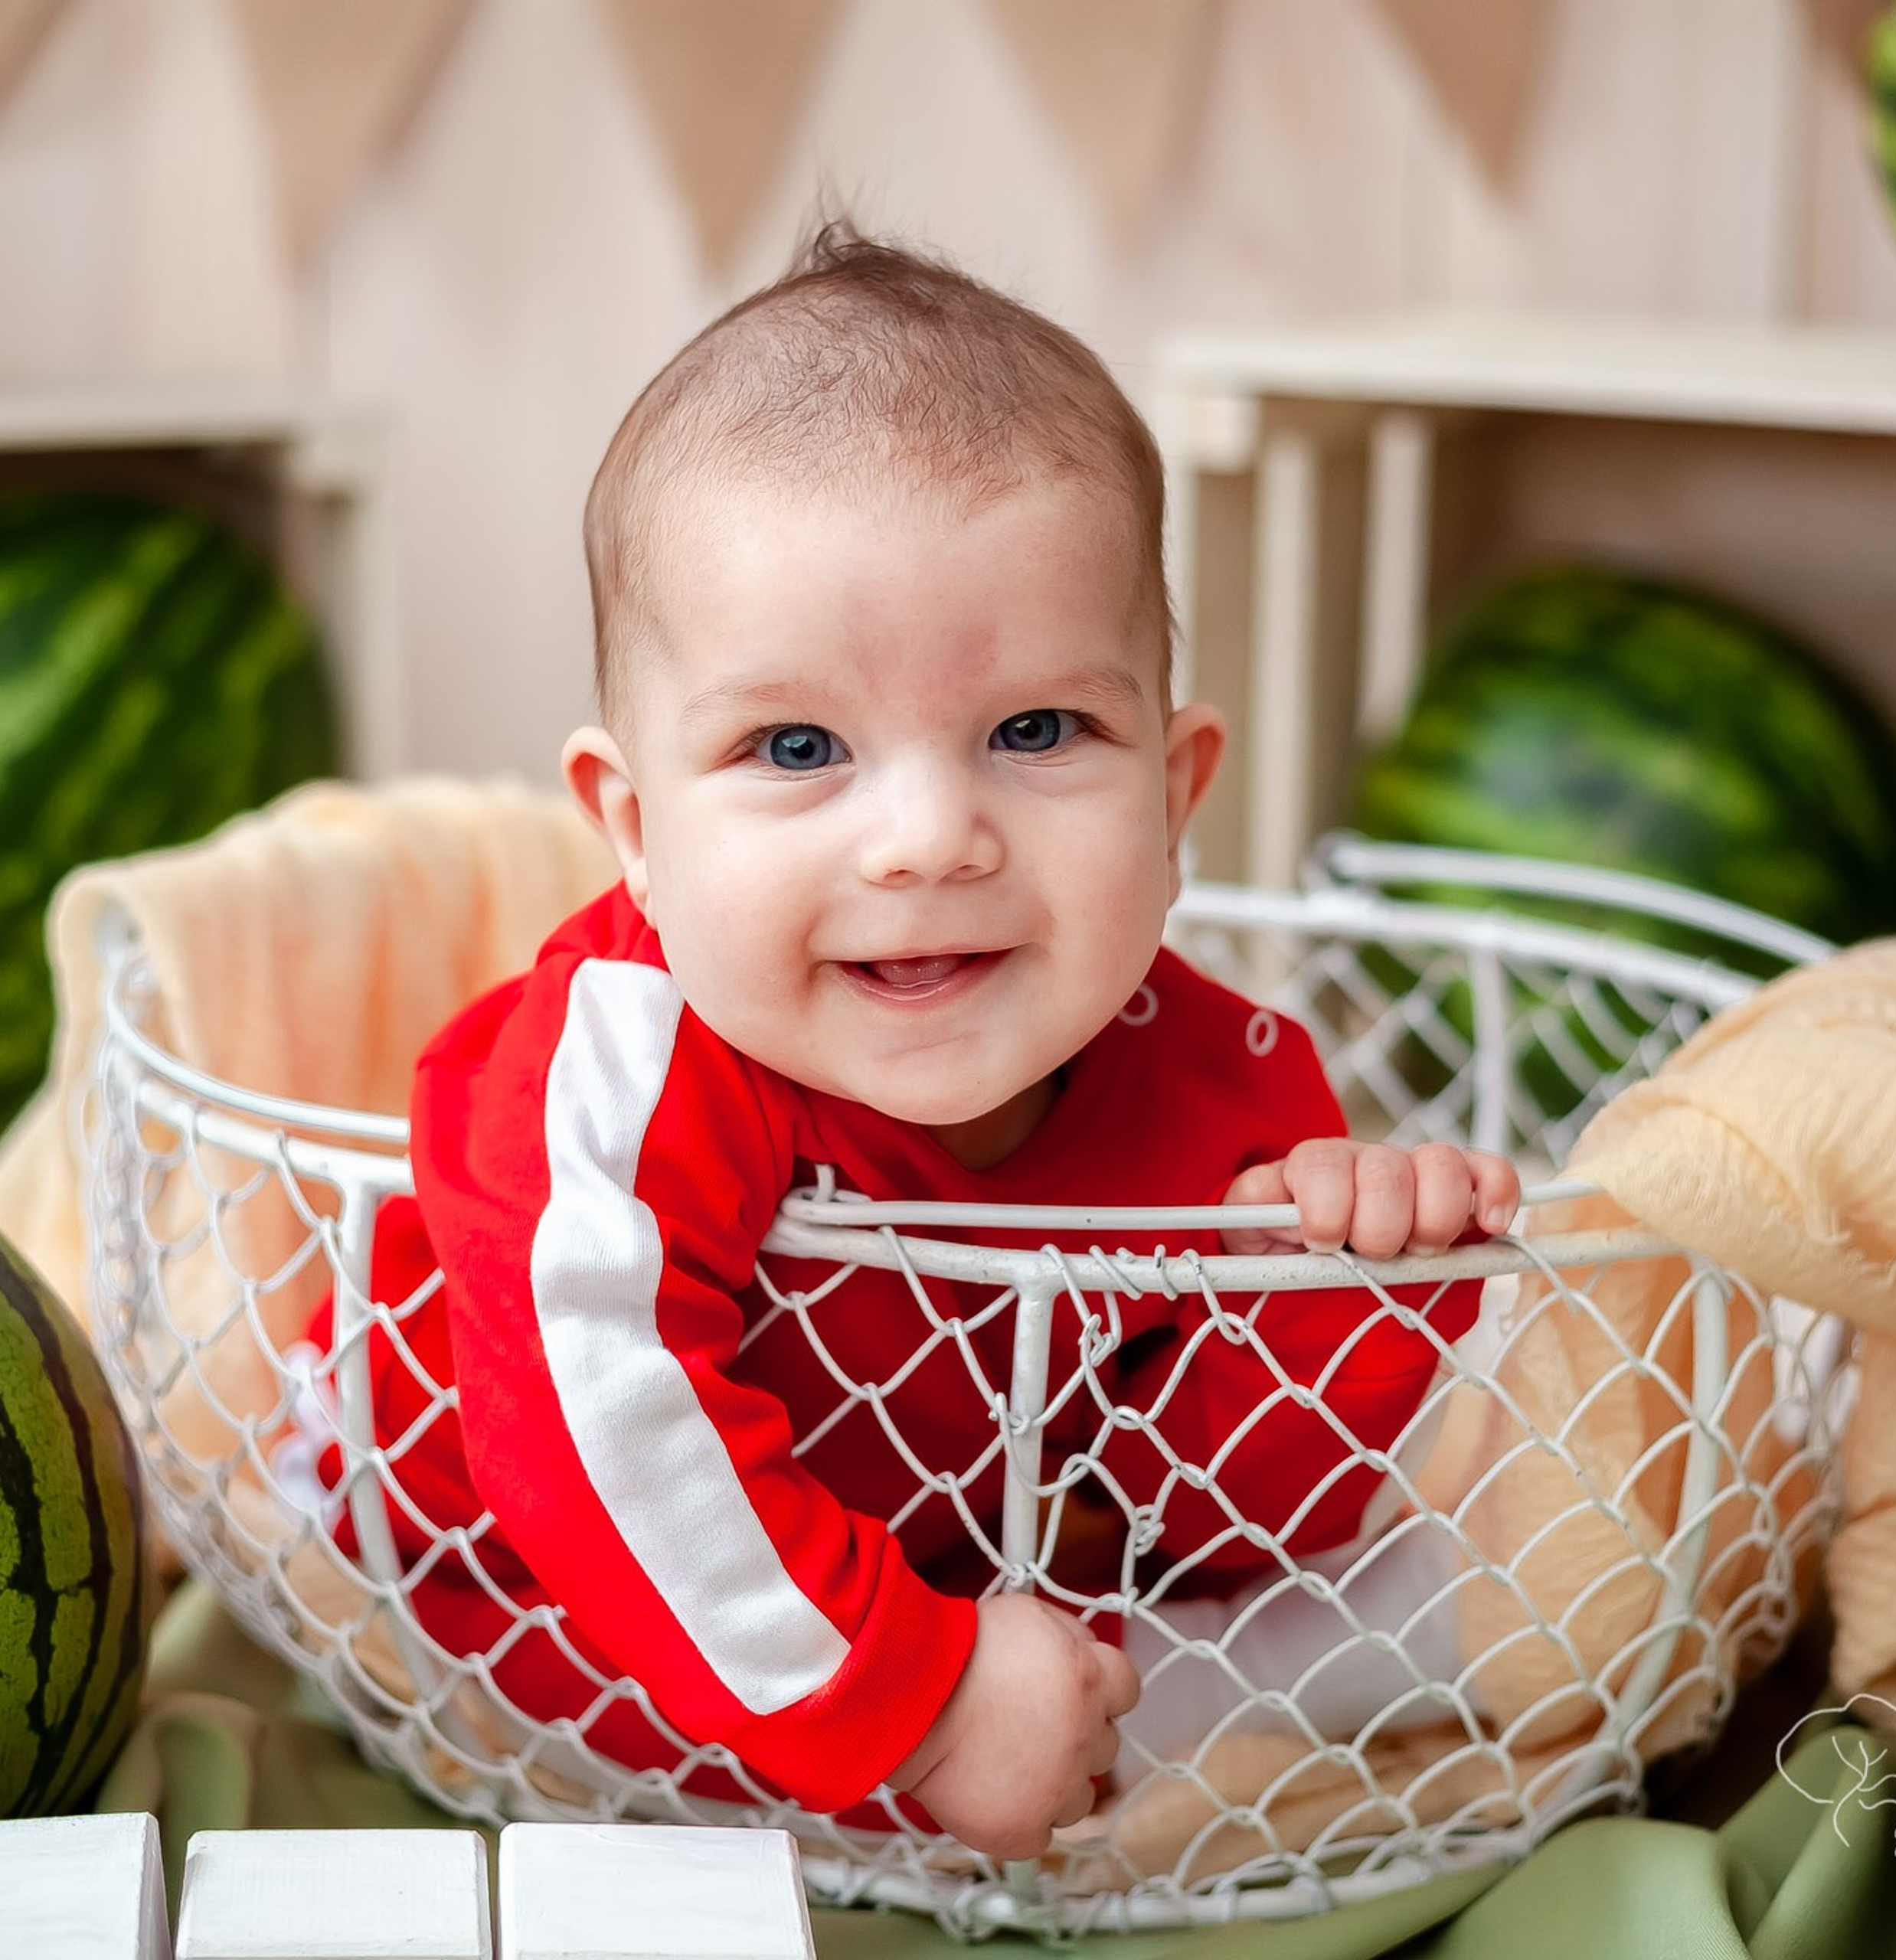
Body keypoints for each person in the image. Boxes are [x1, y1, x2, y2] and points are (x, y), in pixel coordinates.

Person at [337, 226, 1520, 1864]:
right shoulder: (624, 1049)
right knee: (828, 1710)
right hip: (507, 1567)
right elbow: (597, 1432)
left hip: (923, 1556)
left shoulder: (1212, 1079)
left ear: (1174, 795)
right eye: (795, 746)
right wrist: (922, 1701)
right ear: (637, 829)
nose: (926, 840)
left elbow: (1206, 1517)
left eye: (1034, 729)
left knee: (1253, 1631)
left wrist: (1335, 1299)